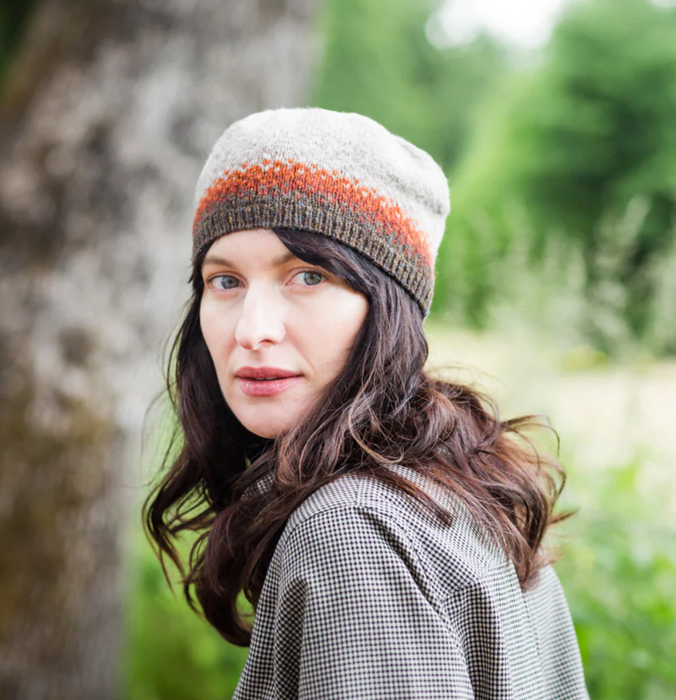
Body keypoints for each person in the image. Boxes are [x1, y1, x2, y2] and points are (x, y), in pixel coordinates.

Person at [144, 107, 590, 699]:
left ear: (387, 306)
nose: (252, 330)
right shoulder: (460, 486)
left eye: (307, 276)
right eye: (225, 281)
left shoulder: (349, 531)